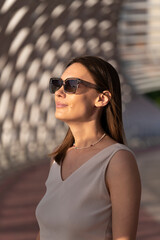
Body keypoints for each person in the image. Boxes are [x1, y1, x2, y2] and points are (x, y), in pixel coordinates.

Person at [35, 56, 141, 240]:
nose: (59, 92)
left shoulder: (117, 160)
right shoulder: (58, 159)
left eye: (71, 85)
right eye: (57, 84)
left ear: (101, 98)